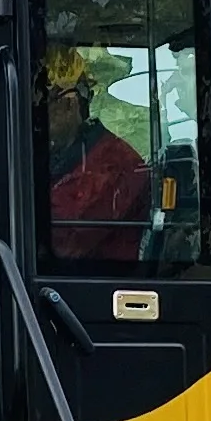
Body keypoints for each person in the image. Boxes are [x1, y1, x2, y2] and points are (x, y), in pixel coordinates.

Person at [43, 47, 150, 263]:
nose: (32, 119)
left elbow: (64, 240)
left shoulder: (113, 164)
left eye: (40, 106)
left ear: (68, 104)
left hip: (95, 288)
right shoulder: (68, 155)